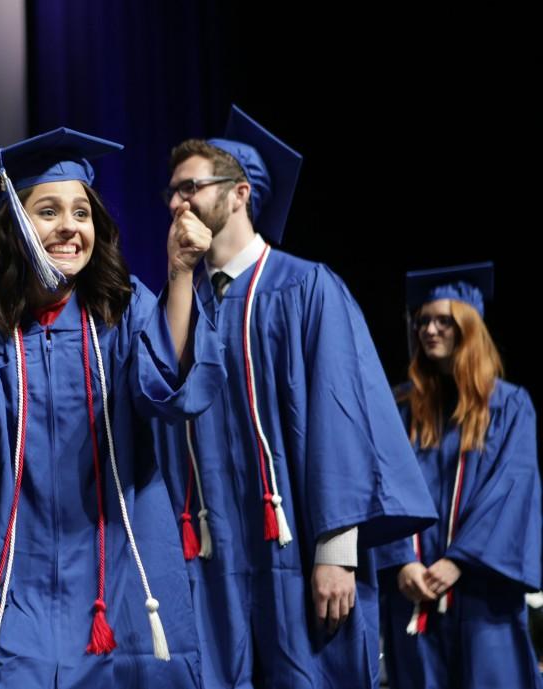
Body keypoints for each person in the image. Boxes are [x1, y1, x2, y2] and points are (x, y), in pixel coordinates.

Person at [0, 128, 225, 687]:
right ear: (14, 224)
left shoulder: (122, 309)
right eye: (48, 211)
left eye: (81, 213)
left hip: (123, 570)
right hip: (22, 573)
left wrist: (179, 274)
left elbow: (166, 384)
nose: (69, 228)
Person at [154, 106, 436, 688]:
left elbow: (343, 421)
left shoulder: (306, 287)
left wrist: (336, 549)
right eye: (172, 194)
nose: (178, 204)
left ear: (239, 194)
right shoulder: (178, 306)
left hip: (297, 554)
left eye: (191, 188)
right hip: (209, 560)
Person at [376, 263, 542, 689]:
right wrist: (401, 562)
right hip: (413, 591)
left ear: (468, 329)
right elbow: (380, 485)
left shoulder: (509, 407)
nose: (429, 330)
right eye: (423, 321)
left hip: (483, 592)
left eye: (443, 321)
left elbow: (512, 487)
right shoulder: (400, 408)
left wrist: (457, 562)